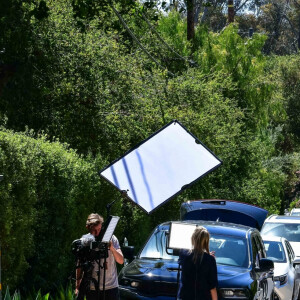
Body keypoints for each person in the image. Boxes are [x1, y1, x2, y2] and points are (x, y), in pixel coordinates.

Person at [75, 213, 124, 300]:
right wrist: (77, 285)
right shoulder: (85, 241)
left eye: (99, 229)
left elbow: (121, 260)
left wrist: (111, 248)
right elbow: (80, 264)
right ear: (88, 228)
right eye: (94, 230)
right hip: (93, 288)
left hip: (111, 287)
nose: (97, 233)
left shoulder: (112, 238)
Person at [179, 226, 218, 300]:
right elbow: (212, 287)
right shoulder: (210, 260)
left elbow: (193, 256)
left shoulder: (184, 255)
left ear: (193, 238)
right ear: (206, 241)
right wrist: (207, 256)